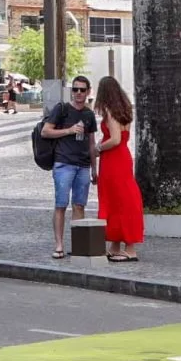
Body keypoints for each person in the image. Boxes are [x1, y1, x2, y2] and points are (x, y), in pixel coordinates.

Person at [39, 76, 97, 259]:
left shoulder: (89, 115)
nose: (78, 93)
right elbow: (45, 131)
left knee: (79, 205)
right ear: (71, 91)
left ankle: (78, 245)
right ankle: (59, 245)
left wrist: (95, 168)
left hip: (83, 165)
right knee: (61, 205)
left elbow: (91, 142)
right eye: (75, 89)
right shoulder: (62, 109)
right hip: (64, 163)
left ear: (88, 91)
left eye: (82, 90)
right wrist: (69, 131)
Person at [94, 76, 144, 263]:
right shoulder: (125, 109)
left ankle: (129, 248)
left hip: (113, 158)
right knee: (119, 199)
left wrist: (98, 147)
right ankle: (114, 245)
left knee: (115, 200)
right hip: (123, 156)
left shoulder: (109, 111)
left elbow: (114, 139)